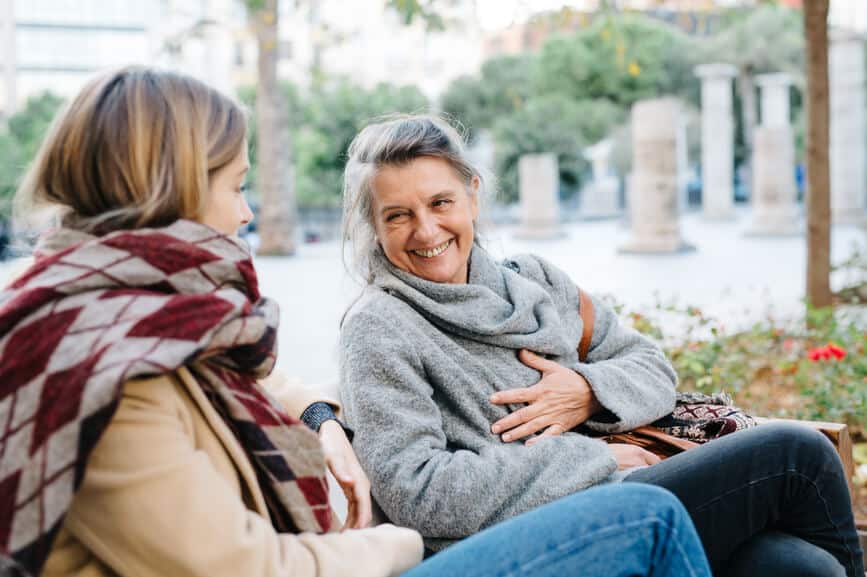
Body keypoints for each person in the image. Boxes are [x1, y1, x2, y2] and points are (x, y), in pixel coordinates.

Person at [0, 67, 712, 577]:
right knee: (660, 513)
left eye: (440, 203)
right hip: (384, 552)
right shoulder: (106, 375)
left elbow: (264, 380)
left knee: (785, 557)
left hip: (365, 542)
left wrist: (321, 416)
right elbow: (259, 561)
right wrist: (392, 540)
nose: (245, 214)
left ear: (474, 193)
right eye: (234, 186)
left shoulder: (143, 322)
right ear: (171, 189)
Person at [339, 113, 866, 577]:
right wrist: (592, 458)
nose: (425, 229)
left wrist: (589, 392)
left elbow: (652, 368)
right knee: (797, 454)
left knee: (804, 567)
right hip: (524, 539)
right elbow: (418, 492)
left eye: (440, 202)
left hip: (625, 495)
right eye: (398, 215)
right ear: (375, 226)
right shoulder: (380, 326)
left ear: (473, 194)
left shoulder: (534, 280)